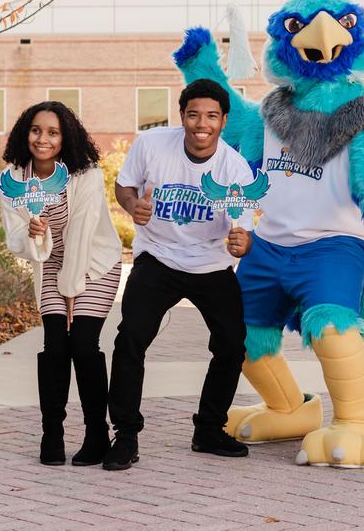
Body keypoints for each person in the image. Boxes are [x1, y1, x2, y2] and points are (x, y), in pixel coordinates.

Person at [104, 78, 254, 470]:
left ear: (223, 121)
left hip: (209, 263)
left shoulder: (234, 170)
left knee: (232, 344)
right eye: (193, 115)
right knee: (131, 338)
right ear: (182, 116)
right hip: (158, 255)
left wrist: (242, 244)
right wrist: (133, 205)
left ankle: (208, 429)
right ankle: (125, 434)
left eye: (210, 116)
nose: (200, 124)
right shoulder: (153, 145)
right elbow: (124, 188)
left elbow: (243, 233)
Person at [0, 101, 122, 466]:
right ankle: (51, 433)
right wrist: (34, 235)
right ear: (26, 133)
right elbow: (14, 237)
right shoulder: (14, 179)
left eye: (53, 132)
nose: (43, 138)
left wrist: (70, 288)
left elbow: (83, 233)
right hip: (49, 263)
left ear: (65, 137)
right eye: (37, 130)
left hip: (94, 264)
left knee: (83, 345)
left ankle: (97, 433)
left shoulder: (85, 175)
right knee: (55, 346)